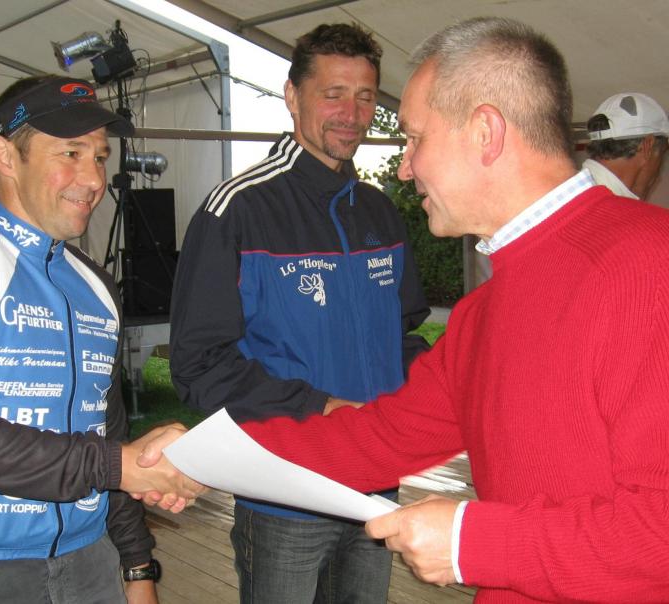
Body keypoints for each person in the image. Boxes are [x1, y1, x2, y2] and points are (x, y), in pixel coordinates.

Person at [218, 16, 669, 603]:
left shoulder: (648, 266)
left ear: (484, 132)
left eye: (414, 138)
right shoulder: (484, 310)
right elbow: (377, 438)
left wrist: (468, 540)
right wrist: (203, 460)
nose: (404, 167)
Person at [0, 75, 202, 604]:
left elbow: (109, 432)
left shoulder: (96, 283)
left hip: (92, 561)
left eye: (99, 157)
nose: (94, 178)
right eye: (70, 153)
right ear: (5, 157)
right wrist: (118, 464)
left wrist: (137, 567)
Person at [169, 22, 430, 604]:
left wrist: (440, 386)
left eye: (365, 97)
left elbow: (403, 336)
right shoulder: (237, 209)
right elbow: (197, 362)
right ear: (292, 96)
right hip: (284, 493)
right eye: (333, 94)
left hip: (375, 484)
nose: (352, 114)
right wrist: (320, 407)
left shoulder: (380, 213)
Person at [583, 92, 669, 199]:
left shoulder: (572, 193)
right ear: (647, 146)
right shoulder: (610, 205)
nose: (658, 175)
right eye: (662, 155)